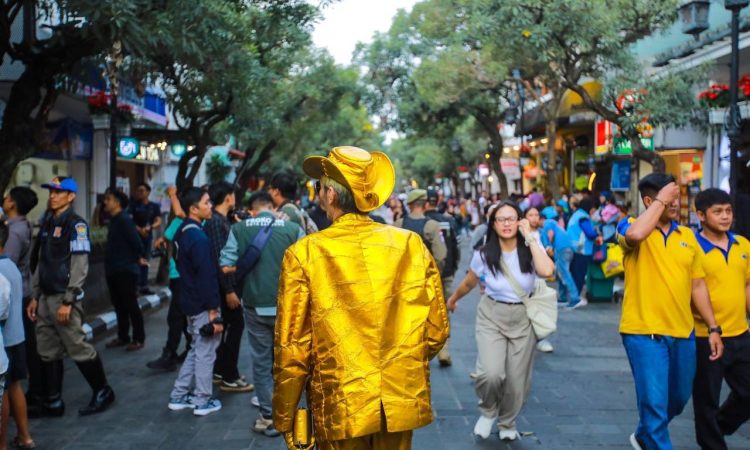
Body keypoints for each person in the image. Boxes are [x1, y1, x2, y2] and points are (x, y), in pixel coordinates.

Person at [273, 146, 449, 450]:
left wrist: (285, 417)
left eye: (320, 188)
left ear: (330, 195)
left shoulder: (304, 253)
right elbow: (436, 332)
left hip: (340, 398)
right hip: (398, 397)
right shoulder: (410, 244)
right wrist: (400, 364)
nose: (318, 195)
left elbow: (292, 349)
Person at [616, 173, 723, 450]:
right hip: (643, 333)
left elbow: (697, 285)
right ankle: (654, 437)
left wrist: (713, 327)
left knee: (677, 399)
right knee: (654, 404)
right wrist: (661, 201)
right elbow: (635, 235)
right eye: (669, 199)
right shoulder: (630, 225)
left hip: (683, 333)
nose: (675, 204)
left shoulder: (687, 236)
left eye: (676, 198)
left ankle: (644, 434)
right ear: (649, 201)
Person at [447, 201, 555, 442]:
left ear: (520, 221)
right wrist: (453, 299)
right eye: (501, 219)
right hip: (491, 315)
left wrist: (530, 237)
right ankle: (488, 411)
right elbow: (470, 281)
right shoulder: (484, 254)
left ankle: (508, 421)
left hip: (523, 318)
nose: (506, 223)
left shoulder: (531, 248)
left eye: (511, 218)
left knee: (517, 381)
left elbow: (547, 271)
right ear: (493, 224)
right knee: (490, 373)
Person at [26, 177, 115, 416]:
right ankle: (53, 401)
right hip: (45, 297)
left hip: (63, 297)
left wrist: (69, 299)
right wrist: (35, 295)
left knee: (76, 345)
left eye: (59, 192)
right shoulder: (47, 222)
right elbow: (42, 263)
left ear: (71, 196)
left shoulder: (76, 225)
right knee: (47, 349)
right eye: (51, 192)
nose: (53, 196)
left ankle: (103, 390)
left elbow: (79, 265)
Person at [220, 191, 303, 436]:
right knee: (286, 360)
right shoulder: (292, 228)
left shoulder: (239, 229)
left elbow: (225, 264)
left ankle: (268, 415)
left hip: (255, 305)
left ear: (252, 210)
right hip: (287, 307)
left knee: (261, 360)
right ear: (272, 207)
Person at [690, 188, 750, 450]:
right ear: (701, 215)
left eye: (728, 211)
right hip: (706, 336)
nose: (725, 216)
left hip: (740, 333)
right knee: (707, 400)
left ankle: (719, 425)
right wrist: (712, 328)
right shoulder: (692, 248)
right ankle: (712, 443)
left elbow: (747, 285)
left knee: (747, 393)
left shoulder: (743, 245)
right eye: (718, 212)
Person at [167, 187, 224, 416]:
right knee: (205, 352)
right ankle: (202, 400)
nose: (210, 206)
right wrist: (213, 310)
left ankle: (179, 394)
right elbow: (206, 276)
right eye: (206, 202)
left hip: (189, 299)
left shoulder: (182, 231)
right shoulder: (198, 237)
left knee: (196, 348)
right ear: (193, 208)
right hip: (202, 303)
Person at [204, 182, 252, 393]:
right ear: (228, 198)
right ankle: (229, 375)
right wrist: (229, 290)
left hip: (226, 286)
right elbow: (220, 259)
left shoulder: (223, 220)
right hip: (225, 287)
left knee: (229, 329)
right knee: (234, 327)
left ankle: (221, 370)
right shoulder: (216, 222)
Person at [2, 187, 42, 417]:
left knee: (14, 360)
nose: (4, 200)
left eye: (7, 198)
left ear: (13, 204)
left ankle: (35, 392)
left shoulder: (13, 232)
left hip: (13, 295)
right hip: (22, 291)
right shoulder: (22, 225)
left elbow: (5, 266)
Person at [147, 187, 191, 372]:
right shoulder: (178, 221)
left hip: (183, 276)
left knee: (175, 317)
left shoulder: (191, 220)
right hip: (175, 275)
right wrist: (162, 242)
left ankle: (170, 355)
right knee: (181, 318)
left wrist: (172, 194)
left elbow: (180, 214)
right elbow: (166, 237)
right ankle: (190, 349)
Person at [0, 223, 34, 449]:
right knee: (15, 387)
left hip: (5, 341)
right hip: (17, 337)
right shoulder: (11, 266)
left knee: (3, 393)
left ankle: (1, 444)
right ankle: (25, 436)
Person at [103, 189, 147, 352]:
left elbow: (137, 244)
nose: (105, 202)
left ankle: (138, 338)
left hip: (125, 270)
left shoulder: (124, 220)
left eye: (108, 199)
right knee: (119, 305)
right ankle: (123, 336)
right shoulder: (114, 220)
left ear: (117, 203)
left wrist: (136, 258)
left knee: (130, 305)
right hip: (113, 269)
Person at [425, 189, 461, 366]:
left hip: (423, 276)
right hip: (446, 273)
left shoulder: (420, 222)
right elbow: (456, 247)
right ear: (437, 201)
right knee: (444, 312)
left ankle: (425, 350)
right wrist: (453, 268)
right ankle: (444, 351)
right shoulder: (448, 221)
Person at [540, 206, 578, 309]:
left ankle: (575, 298)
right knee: (561, 273)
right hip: (565, 248)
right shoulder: (553, 223)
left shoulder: (547, 223)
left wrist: (549, 247)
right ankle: (562, 297)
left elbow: (550, 234)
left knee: (564, 273)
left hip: (562, 248)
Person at [128, 182, 162, 295]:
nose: (140, 193)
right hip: (135, 237)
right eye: (138, 191)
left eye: (142, 191)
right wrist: (139, 230)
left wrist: (150, 227)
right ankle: (135, 286)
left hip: (148, 237)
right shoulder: (133, 206)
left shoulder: (154, 206)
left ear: (148, 192)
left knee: (146, 261)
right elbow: (129, 220)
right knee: (136, 260)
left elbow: (158, 220)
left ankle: (144, 286)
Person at [566, 196, 599, 308]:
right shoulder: (583, 217)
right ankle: (576, 298)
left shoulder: (576, 214)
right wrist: (597, 234)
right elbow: (590, 234)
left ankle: (573, 297)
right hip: (582, 249)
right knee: (579, 274)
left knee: (575, 273)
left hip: (573, 248)